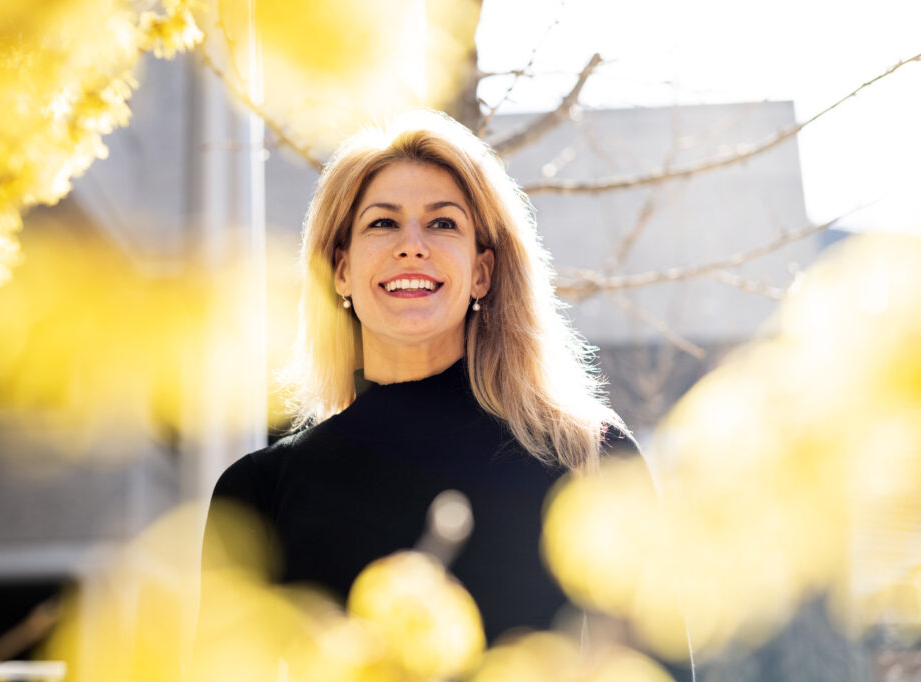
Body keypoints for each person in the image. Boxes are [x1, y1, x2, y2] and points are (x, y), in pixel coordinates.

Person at [201, 110, 642, 644]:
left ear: (482, 271)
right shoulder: (259, 493)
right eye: (382, 223)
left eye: (442, 223)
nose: (412, 244)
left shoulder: (588, 458)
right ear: (340, 269)